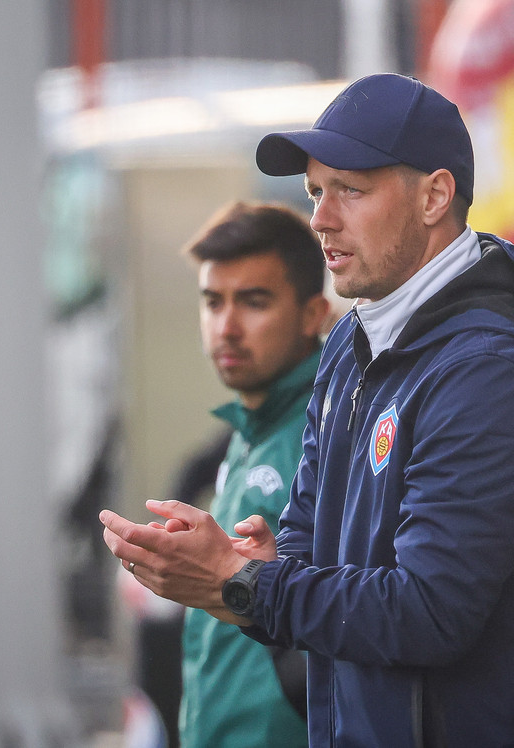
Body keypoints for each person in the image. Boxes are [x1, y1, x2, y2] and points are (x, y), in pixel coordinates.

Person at [101, 73, 514, 747]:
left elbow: (429, 613)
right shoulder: (353, 342)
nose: (320, 218)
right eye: (315, 192)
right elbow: (305, 543)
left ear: (434, 196)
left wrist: (243, 582)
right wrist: (253, 567)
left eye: (349, 189)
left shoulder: (495, 372)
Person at [173, 202, 329, 747]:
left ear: (313, 314)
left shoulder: (330, 428)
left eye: (254, 302)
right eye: (213, 302)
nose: (227, 327)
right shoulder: (251, 427)